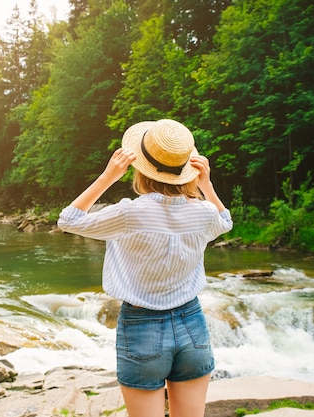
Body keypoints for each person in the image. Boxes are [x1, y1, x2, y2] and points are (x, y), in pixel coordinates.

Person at [57, 119, 233, 417]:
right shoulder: (204, 213)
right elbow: (225, 220)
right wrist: (207, 186)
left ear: (140, 167)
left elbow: (68, 220)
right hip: (192, 323)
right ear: (187, 169)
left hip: (142, 326)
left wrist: (108, 177)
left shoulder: (129, 212)